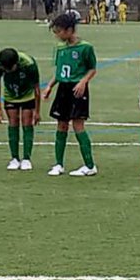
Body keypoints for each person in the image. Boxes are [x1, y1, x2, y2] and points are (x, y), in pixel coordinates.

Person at [42, 12, 99, 176]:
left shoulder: (85, 47)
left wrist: (83, 81)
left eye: (59, 31)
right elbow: (59, 71)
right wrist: (50, 86)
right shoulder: (60, 48)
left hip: (78, 89)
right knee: (61, 124)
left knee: (78, 125)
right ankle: (59, 164)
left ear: (70, 30)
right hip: (63, 90)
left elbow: (92, 68)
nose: (57, 35)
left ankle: (89, 165)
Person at [0, 47, 41, 171]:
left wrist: (37, 110)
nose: (7, 71)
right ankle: (14, 158)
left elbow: (36, 87)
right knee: (13, 122)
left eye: (10, 68)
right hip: (11, 94)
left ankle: (26, 158)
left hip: (27, 94)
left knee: (26, 122)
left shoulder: (29, 64)